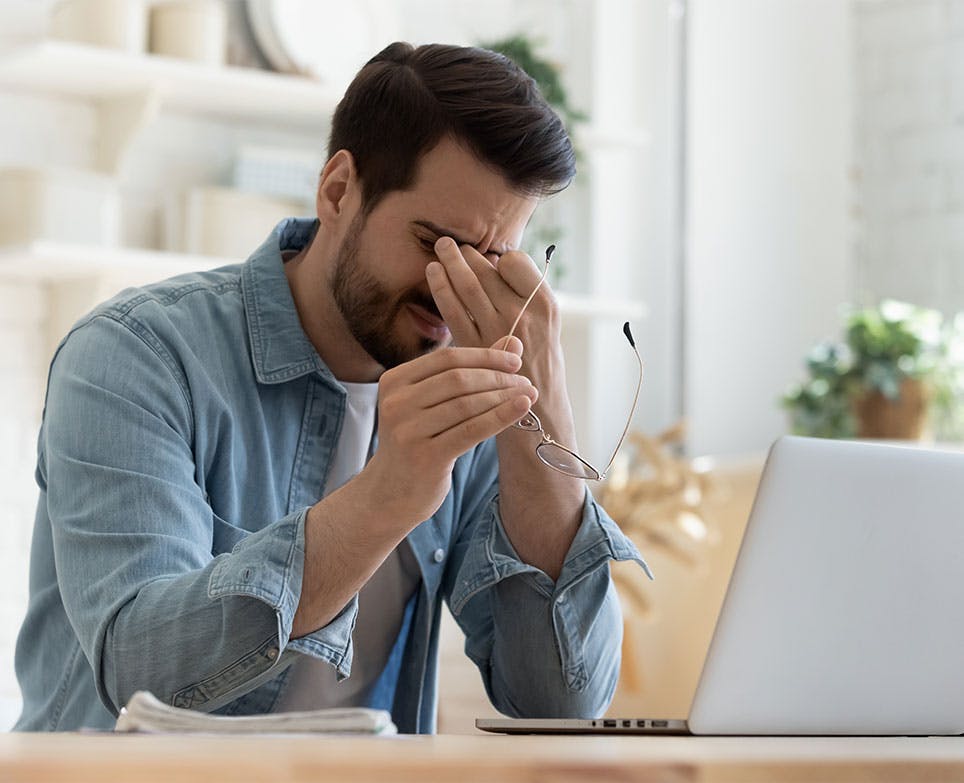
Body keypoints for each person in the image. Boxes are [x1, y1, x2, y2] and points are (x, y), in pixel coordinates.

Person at [14, 41, 650, 733]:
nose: (453, 288)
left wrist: (545, 414)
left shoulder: (478, 398)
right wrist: (389, 492)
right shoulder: (136, 354)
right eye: (434, 242)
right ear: (339, 190)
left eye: (491, 259)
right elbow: (141, 673)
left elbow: (562, 705)